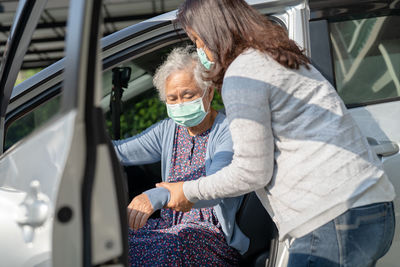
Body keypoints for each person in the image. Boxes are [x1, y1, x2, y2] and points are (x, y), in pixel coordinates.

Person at [156, 1, 396, 266]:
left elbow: (251, 172)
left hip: (331, 217)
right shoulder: (280, 57)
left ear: (215, 33)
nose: (200, 50)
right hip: (373, 206)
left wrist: (187, 191)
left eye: (199, 40)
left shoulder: (242, 75)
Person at [113, 47, 248, 266]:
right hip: (169, 228)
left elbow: (215, 188)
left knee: (174, 244)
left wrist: (160, 195)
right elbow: (119, 151)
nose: (180, 104)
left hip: (211, 237)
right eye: (172, 99)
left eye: (188, 95)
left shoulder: (228, 131)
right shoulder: (168, 130)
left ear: (209, 92)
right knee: (110, 239)